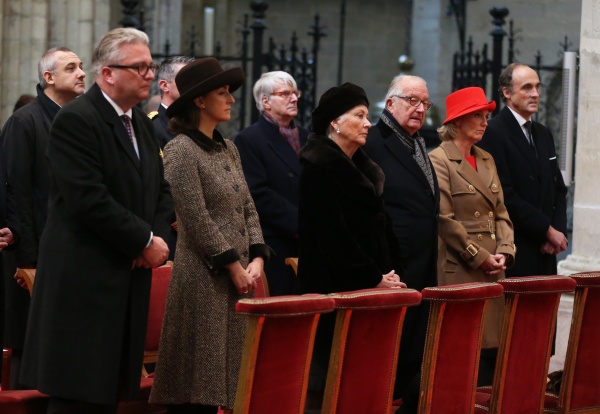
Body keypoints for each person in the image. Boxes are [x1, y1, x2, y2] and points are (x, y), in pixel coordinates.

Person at [19, 28, 173, 413]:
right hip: (85, 281)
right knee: (79, 395)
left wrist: (150, 237)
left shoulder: (138, 121)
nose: (149, 75)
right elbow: (87, 197)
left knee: (110, 395)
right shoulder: (77, 120)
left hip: (123, 275)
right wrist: (141, 240)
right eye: (138, 67)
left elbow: (160, 190)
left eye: (150, 66)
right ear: (108, 73)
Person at [149, 57, 271, 414]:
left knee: (229, 384)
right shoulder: (180, 149)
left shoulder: (228, 147)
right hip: (202, 279)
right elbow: (195, 218)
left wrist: (258, 257)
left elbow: (248, 207)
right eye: (223, 93)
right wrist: (233, 264)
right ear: (200, 100)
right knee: (196, 386)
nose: (232, 100)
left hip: (238, 278)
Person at [297, 82, 406, 401]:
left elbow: (383, 229)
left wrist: (394, 272)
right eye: (359, 115)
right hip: (338, 295)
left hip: (373, 289)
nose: (368, 122)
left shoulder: (363, 168)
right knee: (338, 387)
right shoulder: (318, 168)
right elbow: (334, 240)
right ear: (335, 122)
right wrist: (373, 278)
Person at [0, 46, 86, 390]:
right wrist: (27, 261)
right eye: (71, 68)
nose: (81, 73)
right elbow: (16, 192)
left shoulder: (78, 121)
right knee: (29, 344)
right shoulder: (25, 121)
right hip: (33, 258)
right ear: (49, 78)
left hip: (70, 254)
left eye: (81, 66)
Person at [429, 86, 516, 386]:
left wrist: (505, 249)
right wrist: (480, 257)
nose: (484, 122)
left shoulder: (487, 158)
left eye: (486, 116)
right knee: (463, 349)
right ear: (455, 122)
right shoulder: (439, 159)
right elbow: (444, 219)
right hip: (463, 265)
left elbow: (501, 212)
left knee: (492, 351)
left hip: (494, 266)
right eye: (476, 116)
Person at [362, 74, 439, 405]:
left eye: (425, 103)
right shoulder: (374, 142)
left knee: (414, 349)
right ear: (390, 103)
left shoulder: (419, 140)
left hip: (422, 258)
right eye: (412, 100)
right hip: (395, 262)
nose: (419, 109)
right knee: (391, 349)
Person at [478, 63, 568, 277]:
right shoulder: (492, 132)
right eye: (527, 87)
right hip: (517, 248)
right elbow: (504, 195)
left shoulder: (543, 133)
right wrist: (546, 230)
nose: (535, 94)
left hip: (547, 250)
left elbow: (559, 189)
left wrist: (558, 232)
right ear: (507, 93)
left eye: (538, 87)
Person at [234, 71, 309, 296]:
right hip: (277, 242)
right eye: (285, 94)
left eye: (295, 93)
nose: (294, 98)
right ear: (265, 102)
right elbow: (258, 193)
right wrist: (301, 223)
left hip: (308, 241)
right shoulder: (249, 139)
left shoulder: (308, 137)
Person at [149, 56, 196, 148]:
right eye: (186, 79)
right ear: (165, 85)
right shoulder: (152, 127)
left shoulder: (197, 124)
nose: (193, 84)